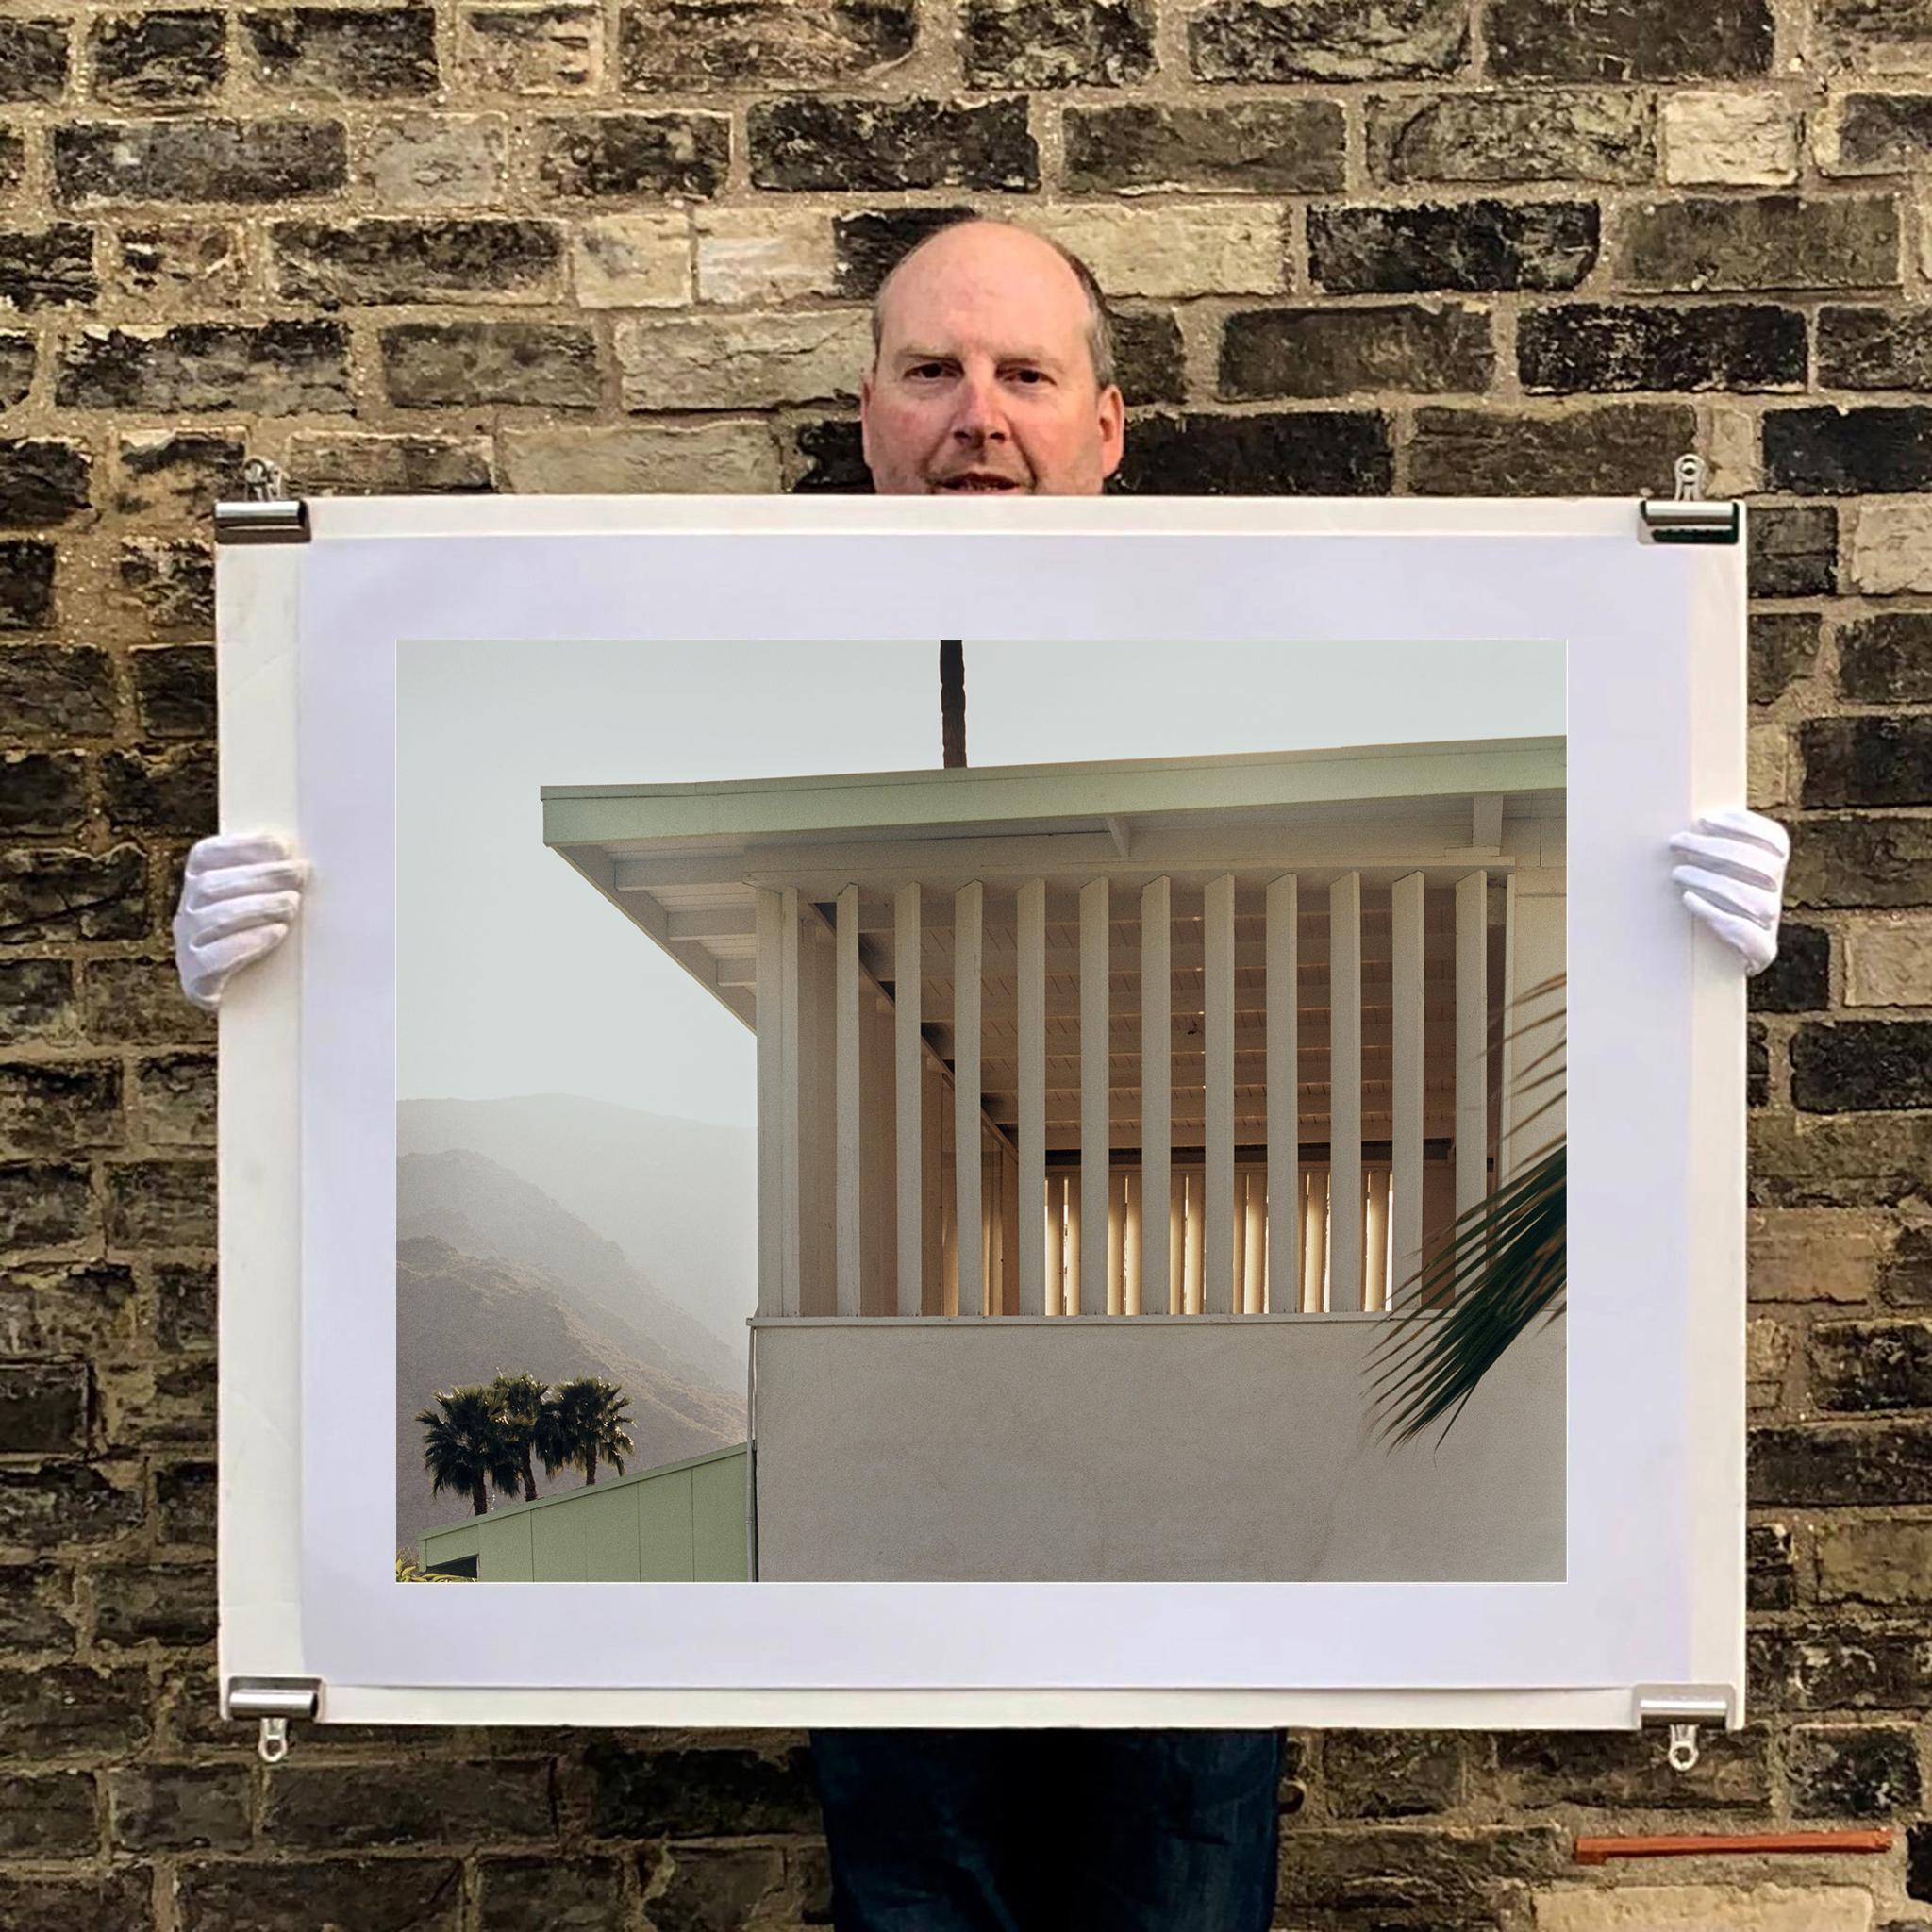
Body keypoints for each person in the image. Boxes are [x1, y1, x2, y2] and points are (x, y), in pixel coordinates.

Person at [174, 216, 1790, 1929]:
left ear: (1106, 425)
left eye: (1026, 374)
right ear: (865, 410)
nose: (977, 415)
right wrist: (286, 989)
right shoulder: (736, 676)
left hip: (1219, 1592)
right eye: (932, 370)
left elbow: (1527, 1032)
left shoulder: (1272, 671)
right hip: (895, 1592)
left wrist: (1661, 959)